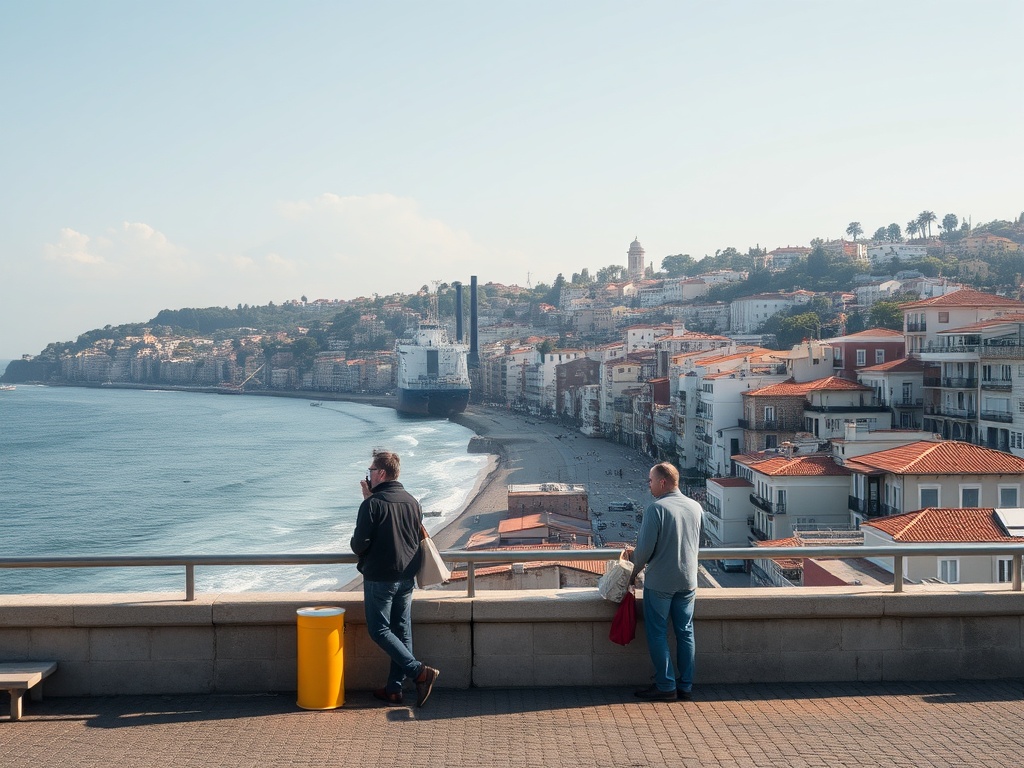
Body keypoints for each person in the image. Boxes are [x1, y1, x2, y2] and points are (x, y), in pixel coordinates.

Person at [350, 449, 439, 707]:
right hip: (407, 575)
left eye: (370, 471)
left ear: (380, 473)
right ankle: (394, 689)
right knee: (401, 630)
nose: (368, 475)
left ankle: (419, 672)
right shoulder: (412, 502)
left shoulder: (372, 505)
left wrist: (368, 500)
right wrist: (370, 497)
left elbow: (359, 545)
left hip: (381, 576)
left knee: (379, 630)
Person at [626, 462, 702, 702]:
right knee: (685, 632)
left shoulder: (655, 509)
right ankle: (686, 686)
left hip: (660, 582)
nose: (648, 485)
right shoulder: (695, 506)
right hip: (688, 581)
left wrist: (630, 573)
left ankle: (666, 685)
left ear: (662, 482)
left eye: (650, 480)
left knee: (658, 633)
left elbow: (644, 551)